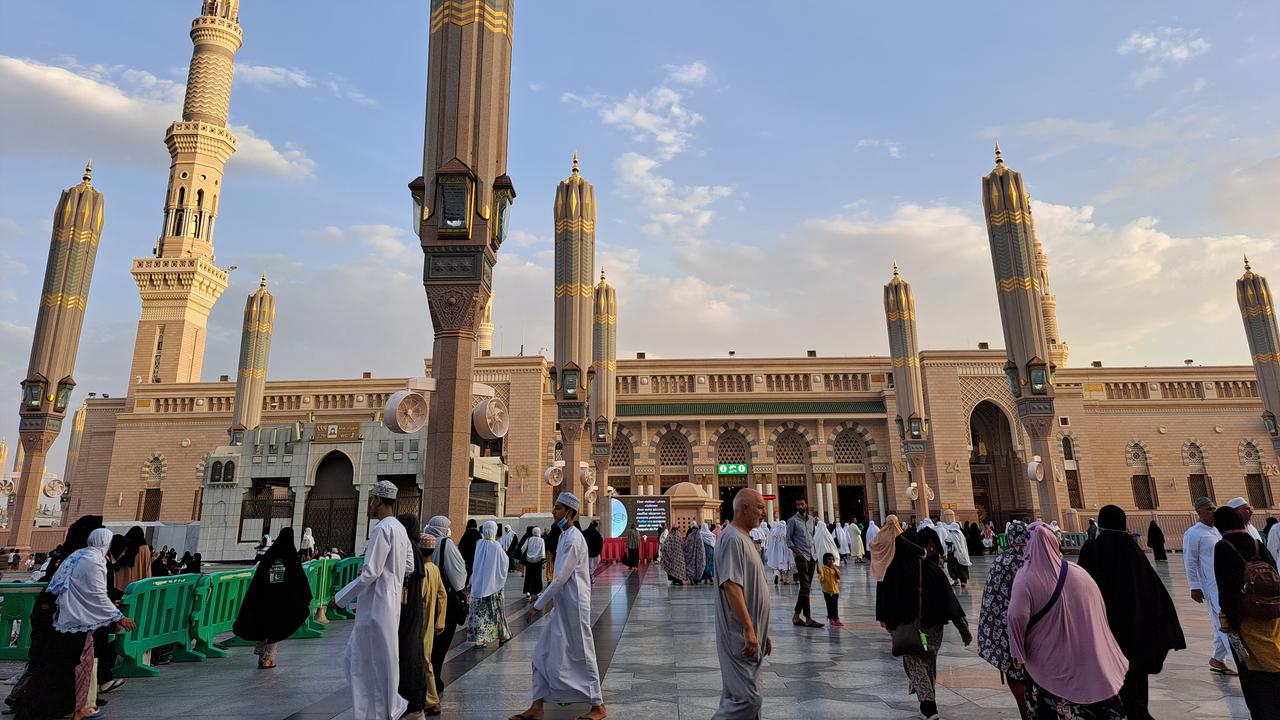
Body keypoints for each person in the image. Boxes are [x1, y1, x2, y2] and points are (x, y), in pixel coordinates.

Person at [1008, 522, 1128, 719]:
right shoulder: (1078, 571)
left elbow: (1016, 617)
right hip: (1089, 659)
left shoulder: (1026, 577)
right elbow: (1097, 608)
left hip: (1049, 663)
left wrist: (1017, 652)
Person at [1078, 506, 1185, 720]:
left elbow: (1081, 587)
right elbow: (1155, 594)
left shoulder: (1094, 549)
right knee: (1135, 681)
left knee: (1112, 682)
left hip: (1108, 632)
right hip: (1137, 633)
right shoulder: (1134, 552)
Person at [512, 492, 605, 720]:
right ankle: (537, 706)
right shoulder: (564, 536)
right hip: (562, 607)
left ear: (570, 513)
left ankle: (598, 706)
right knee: (541, 654)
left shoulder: (573, 539)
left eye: (558, 508)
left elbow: (561, 577)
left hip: (575, 606)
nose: (554, 512)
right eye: (555, 508)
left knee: (584, 653)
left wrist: (538, 604)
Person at [331, 480, 414, 720]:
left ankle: (374, 712)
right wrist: (392, 574)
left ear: (378, 499)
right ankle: (386, 708)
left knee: (361, 661)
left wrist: (340, 597)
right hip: (390, 602)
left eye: (372, 500)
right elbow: (408, 565)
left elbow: (370, 573)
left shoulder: (382, 529)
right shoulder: (399, 528)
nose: (371, 504)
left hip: (376, 605)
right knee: (383, 658)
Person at [875, 522, 972, 720]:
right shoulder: (933, 569)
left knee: (915, 662)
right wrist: (963, 628)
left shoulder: (893, 571)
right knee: (927, 660)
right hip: (933, 627)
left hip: (908, 626)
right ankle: (928, 701)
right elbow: (949, 598)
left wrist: (887, 623)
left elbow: (884, 600)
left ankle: (928, 706)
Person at [1212, 505, 1280, 718]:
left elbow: (1225, 588)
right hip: (1270, 615)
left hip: (1245, 619)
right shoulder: (1257, 543)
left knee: (1251, 667)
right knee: (1274, 657)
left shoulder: (1223, 546)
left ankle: (1263, 710)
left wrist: (1231, 621)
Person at [712, 488, 772, 719]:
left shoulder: (743, 538)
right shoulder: (732, 539)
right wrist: (748, 628)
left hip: (750, 631)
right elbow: (732, 587)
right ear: (744, 508)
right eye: (759, 507)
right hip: (738, 632)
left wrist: (761, 630)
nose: (763, 513)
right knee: (748, 698)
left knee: (739, 696)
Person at [233, 526, 311, 670]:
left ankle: (261, 654)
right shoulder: (290, 556)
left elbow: (258, 579)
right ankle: (268, 659)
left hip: (265, 600)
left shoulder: (269, 555)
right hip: (282, 601)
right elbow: (300, 579)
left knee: (265, 625)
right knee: (277, 629)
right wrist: (307, 596)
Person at [977, 520, 1032, 719]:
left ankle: (1026, 711)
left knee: (1015, 673)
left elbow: (990, 599)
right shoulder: (1039, 559)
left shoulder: (1001, 562)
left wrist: (988, 633)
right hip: (1040, 631)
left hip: (1009, 630)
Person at [1184, 496, 1236, 675]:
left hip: (1225, 582)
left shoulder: (1218, 531)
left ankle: (1217, 659)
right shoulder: (1194, 533)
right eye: (1208, 509)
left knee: (1219, 621)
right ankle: (1239, 664)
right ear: (1199, 512)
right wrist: (1194, 585)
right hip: (1211, 584)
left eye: (1214, 508)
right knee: (1225, 622)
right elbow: (1190, 561)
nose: (1213, 512)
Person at [423, 515, 468, 700]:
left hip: (425, 599)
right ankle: (434, 683)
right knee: (440, 645)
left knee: (427, 643)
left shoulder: (423, 542)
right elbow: (458, 577)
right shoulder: (446, 544)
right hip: (444, 601)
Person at [395, 514, 429, 720]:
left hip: (406, 612)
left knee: (407, 652)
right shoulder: (416, 549)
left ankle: (412, 703)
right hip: (414, 610)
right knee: (413, 651)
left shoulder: (408, 550)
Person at [416, 531, 448, 717]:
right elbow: (442, 594)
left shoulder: (424, 571)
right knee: (425, 658)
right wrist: (440, 620)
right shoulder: (434, 568)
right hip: (430, 621)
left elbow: (418, 596)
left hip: (420, 621)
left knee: (425, 661)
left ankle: (432, 700)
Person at [468, 520, 512, 648]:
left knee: (480, 613)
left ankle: (479, 640)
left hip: (478, 585)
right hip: (493, 587)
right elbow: (504, 563)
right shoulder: (496, 546)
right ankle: (503, 636)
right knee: (496, 612)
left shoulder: (479, 543)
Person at [787, 498, 822, 627]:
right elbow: (788, 540)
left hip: (812, 556)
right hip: (801, 557)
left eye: (802, 504)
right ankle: (807, 618)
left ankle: (797, 616)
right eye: (798, 504)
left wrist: (816, 555)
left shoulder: (812, 520)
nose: (800, 506)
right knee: (806, 587)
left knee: (806, 588)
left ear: (806, 504)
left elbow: (812, 538)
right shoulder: (792, 521)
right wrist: (798, 553)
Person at [939, 509, 972, 588]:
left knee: (953, 567)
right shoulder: (961, 534)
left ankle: (956, 580)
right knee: (962, 567)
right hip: (962, 554)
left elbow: (947, 541)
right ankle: (963, 582)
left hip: (953, 554)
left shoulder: (953, 534)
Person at [818, 552, 843, 627]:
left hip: (835, 591)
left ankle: (836, 619)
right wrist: (820, 573)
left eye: (832, 559)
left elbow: (839, 576)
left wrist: (834, 568)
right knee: (829, 605)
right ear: (825, 560)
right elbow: (821, 579)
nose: (831, 561)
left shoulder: (834, 568)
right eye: (829, 559)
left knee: (835, 605)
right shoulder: (822, 569)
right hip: (827, 591)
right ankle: (831, 618)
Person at [522, 526, 547, 598]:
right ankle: (537, 592)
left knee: (529, 576)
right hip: (538, 561)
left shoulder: (529, 539)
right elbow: (542, 552)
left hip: (529, 561)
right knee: (537, 577)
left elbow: (523, 548)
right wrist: (543, 561)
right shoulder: (541, 540)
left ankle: (528, 592)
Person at [765, 520, 791, 585]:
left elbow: (771, 543)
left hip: (776, 551)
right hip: (785, 550)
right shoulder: (786, 532)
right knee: (785, 564)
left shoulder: (774, 532)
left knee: (777, 564)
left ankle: (777, 575)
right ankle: (785, 579)